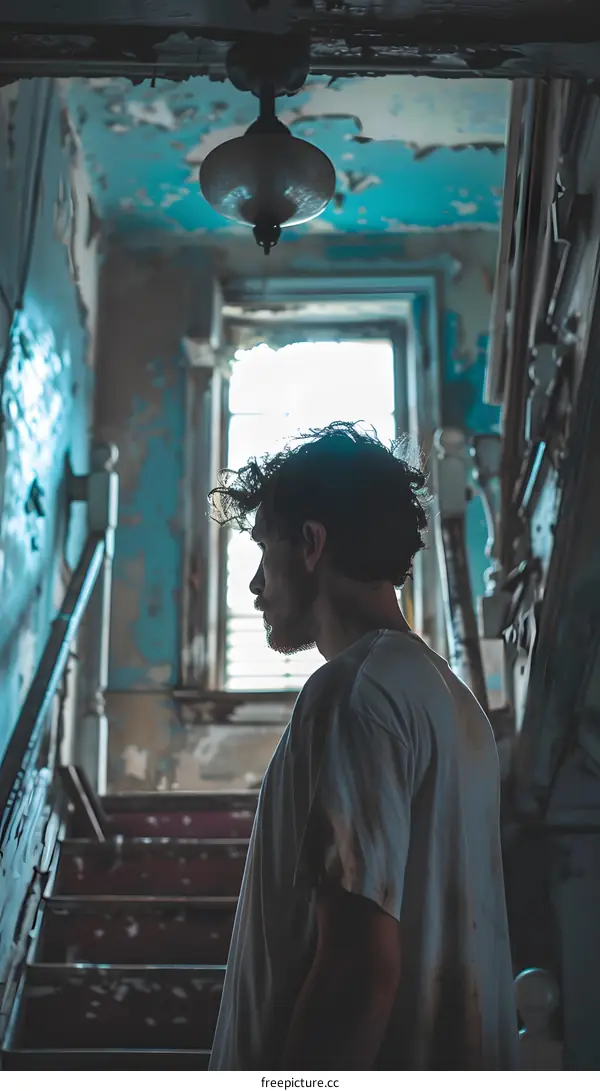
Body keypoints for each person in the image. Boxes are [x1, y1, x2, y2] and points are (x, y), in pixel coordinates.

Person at [207, 421, 519, 1071]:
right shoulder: (451, 701)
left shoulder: (354, 694)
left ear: (312, 544)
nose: (256, 585)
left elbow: (358, 969)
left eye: (266, 551)